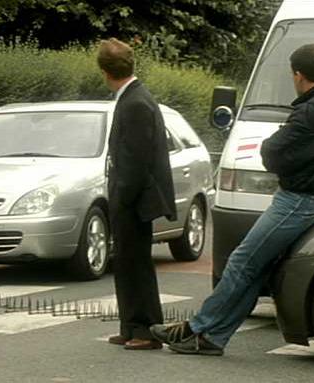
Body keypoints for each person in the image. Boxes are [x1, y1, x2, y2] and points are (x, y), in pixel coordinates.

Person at [150, 43, 314, 355]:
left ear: (298, 74)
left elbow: (273, 153)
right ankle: (212, 338)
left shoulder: (312, 110)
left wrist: (272, 147)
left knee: (241, 261)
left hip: (300, 199)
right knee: (256, 268)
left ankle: (195, 328)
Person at [98, 38, 177, 350]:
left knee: (136, 264)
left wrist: (120, 197)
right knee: (127, 262)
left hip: (133, 200)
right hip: (132, 197)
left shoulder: (135, 103)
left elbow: (135, 161)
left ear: (105, 71)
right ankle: (131, 326)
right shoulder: (133, 98)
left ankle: (145, 329)